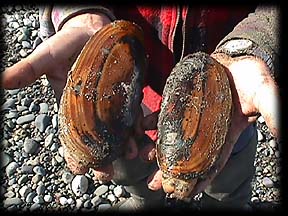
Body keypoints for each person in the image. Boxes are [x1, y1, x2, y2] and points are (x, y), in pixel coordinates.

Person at [2, 4, 280, 211]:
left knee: (228, 175)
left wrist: (256, 45)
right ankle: (144, 200)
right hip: (132, 103)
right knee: (128, 166)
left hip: (229, 100)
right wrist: (82, 14)